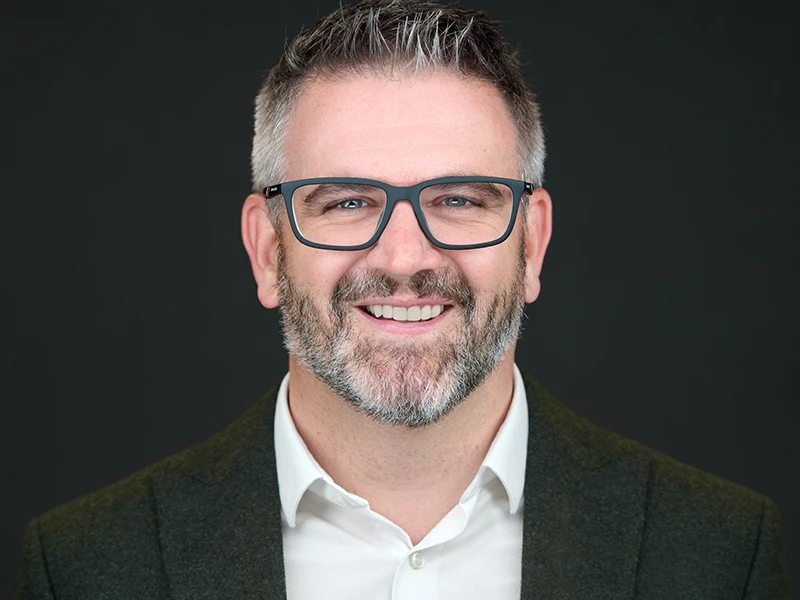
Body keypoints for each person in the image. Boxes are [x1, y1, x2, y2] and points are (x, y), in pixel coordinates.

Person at [16, 1, 789, 598]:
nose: (405, 257)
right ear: (266, 250)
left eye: (459, 199)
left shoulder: (721, 555)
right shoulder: (83, 567)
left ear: (532, 243)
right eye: (348, 202)